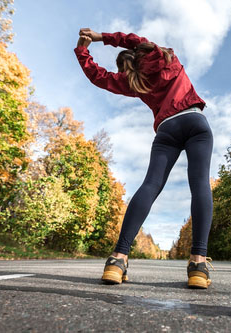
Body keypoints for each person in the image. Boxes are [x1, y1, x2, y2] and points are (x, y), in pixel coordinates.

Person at [75, 28, 214, 289]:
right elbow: (132, 39)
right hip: (195, 122)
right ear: (140, 53)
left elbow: (99, 77)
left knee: (150, 186)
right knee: (200, 185)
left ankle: (117, 259)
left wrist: (83, 52)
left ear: (126, 68)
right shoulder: (163, 56)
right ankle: (198, 264)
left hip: (167, 129)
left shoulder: (133, 82)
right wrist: (100, 37)